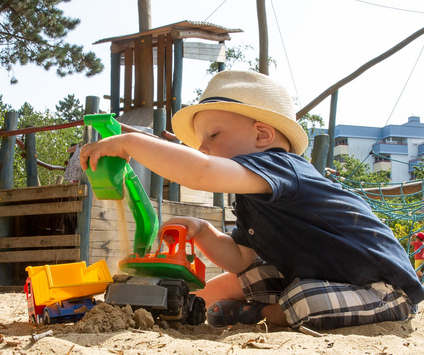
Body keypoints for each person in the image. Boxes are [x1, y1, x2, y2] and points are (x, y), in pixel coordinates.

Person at [79, 70, 424, 330]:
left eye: (212, 135)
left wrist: (129, 143)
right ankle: (182, 307)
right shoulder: (251, 197)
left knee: (302, 299)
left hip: (381, 288)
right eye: (202, 142)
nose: (203, 149)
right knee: (256, 276)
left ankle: (265, 315)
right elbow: (241, 259)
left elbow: (200, 171)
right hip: (322, 277)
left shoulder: (283, 166)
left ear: (262, 135)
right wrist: (202, 232)